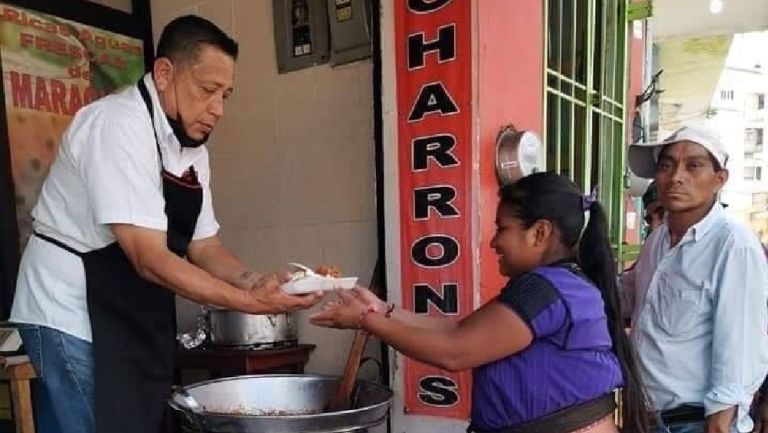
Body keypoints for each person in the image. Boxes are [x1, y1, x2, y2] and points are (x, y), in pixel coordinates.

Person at [9, 15, 321, 433]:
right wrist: (248, 305)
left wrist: (255, 281)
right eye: (208, 90)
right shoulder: (116, 125)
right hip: (69, 308)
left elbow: (205, 246)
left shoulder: (191, 149)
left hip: (125, 310)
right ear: (163, 73)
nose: (218, 109)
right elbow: (149, 259)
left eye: (226, 95)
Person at [311, 172, 650, 433]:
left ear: (540, 233)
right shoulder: (559, 285)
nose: (493, 241)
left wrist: (366, 321)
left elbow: (455, 351)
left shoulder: (546, 288)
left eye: (502, 228)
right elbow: (460, 329)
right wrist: (381, 310)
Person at [623, 123, 768, 433]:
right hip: (646, 418)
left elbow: (739, 348)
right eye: (666, 165)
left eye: (694, 165)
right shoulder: (657, 241)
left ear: (719, 179)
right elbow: (628, 300)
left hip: (696, 423)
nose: (676, 176)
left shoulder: (732, 244)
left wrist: (719, 425)